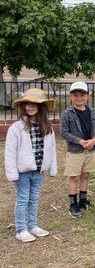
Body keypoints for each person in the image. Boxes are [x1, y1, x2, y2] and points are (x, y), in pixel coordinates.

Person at [5, 89, 57, 242]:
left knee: (34, 199)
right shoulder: (16, 128)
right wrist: (12, 172)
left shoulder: (47, 127)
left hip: (39, 171)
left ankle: (33, 225)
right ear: (23, 106)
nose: (30, 107)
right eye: (27, 103)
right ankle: (21, 229)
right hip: (23, 172)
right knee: (23, 199)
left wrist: (52, 167)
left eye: (34, 104)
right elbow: (10, 152)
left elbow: (51, 149)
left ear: (41, 107)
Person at [60, 81, 95, 218]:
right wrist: (79, 141)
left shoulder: (93, 112)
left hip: (90, 148)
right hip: (76, 150)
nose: (79, 98)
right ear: (71, 97)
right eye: (75, 95)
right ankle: (73, 203)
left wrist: (94, 139)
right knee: (74, 177)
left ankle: (83, 200)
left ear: (87, 97)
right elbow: (64, 132)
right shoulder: (67, 113)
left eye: (82, 95)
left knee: (85, 174)